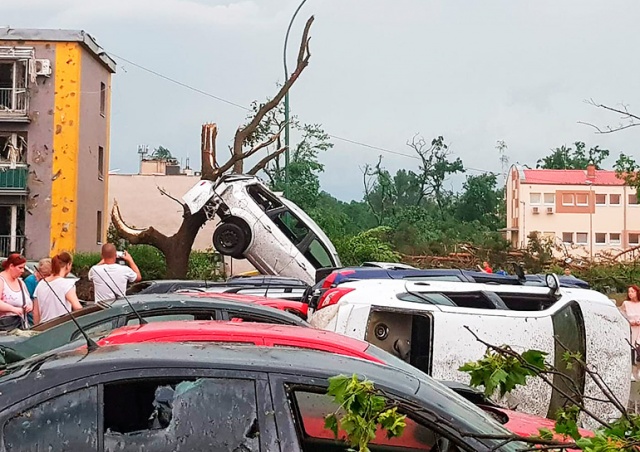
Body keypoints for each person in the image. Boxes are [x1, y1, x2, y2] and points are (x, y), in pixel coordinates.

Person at [33, 252, 82, 324]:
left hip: (43, 327)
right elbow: (77, 308)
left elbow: (36, 312)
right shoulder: (67, 284)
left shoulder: (41, 284)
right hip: (61, 327)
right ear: (68, 265)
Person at [0, 253, 32, 331]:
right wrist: (13, 309)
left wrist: (30, 306)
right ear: (11, 266)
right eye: (20, 268)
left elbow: (28, 299)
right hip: (5, 327)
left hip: (21, 325)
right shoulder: (1, 281)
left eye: (23, 268)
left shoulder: (20, 282)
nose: (22, 271)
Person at [620, 285, 640, 378]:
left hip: (639, 328)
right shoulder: (626, 303)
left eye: (632, 291)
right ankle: (632, 371)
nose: (630, 294)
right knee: (632, 349)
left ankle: (639, 370)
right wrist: (629, 322)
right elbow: (622, 315)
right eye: (629, 292)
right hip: (631, 329)